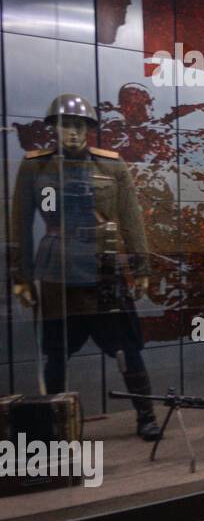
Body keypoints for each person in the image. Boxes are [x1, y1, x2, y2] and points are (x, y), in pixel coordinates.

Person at [9, 94, 161, 440]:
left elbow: (131, 219)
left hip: (103, 265)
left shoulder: (111, 165)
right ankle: (51, 425)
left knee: (127, 348)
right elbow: (19, 223)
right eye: (66, 125)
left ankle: (146, 416)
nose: (73, 133)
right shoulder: (35, 166)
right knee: (55, 352)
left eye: (79, 126)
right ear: (55, 129)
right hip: (57, 268)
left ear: (89, 130)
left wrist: (141, 268)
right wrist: (20, 277)